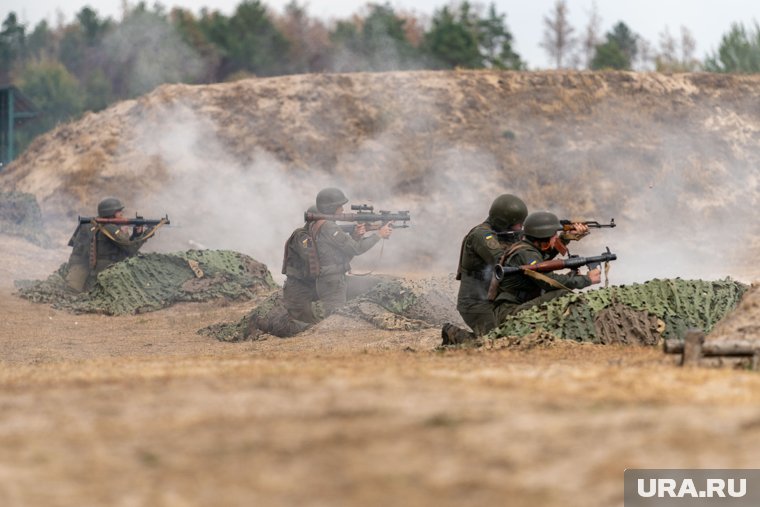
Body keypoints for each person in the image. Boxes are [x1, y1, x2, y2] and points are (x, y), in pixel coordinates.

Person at [492, 211, 601, 323]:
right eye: (554, 235)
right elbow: (548, 281)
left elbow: (544, 261)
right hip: (510, 312)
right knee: (561, 295)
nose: (556, 238)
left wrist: (566, 238)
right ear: (544, 238)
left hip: (517, 306)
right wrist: (586, 279)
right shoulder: (526, 253)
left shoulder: (528, 247)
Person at [454, 194, 528, 336]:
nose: (521, 227)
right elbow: (504, 260)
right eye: (518, 224)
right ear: (503, 222)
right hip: (476, 304)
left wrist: (558, 240)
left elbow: (532, 260)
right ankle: (455, 335)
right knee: (499, 340)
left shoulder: (505, 233)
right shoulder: (481, 236)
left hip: (495, 301)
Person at [311, 187, 392, 316]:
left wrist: (356, 236)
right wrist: (379, 235)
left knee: (375, 285)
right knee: (334, 319)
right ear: (331, 207)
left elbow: (344, 252)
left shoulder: (322, 224)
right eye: (340, 206)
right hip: (332, 283)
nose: (342, 209)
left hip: (334, 280)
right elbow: (356, 249)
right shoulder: (329, 227)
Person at [64, 197, 154, 292]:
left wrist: (135, 234)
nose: (122, 214)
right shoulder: (110, 228)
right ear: (111, 213)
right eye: (119, 212)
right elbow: (130, 249)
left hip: (88, 267)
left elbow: (123, 245)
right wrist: (147, 234)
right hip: (105, 270)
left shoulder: (90, 224)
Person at [281, 205, 321, 324]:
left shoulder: (312, 236)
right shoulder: (303, 236)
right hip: (298, 289)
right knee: (304, 324)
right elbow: (309, 255)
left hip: (308, 286)